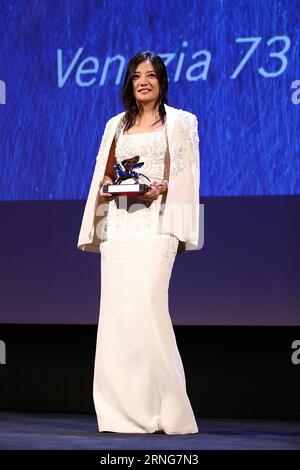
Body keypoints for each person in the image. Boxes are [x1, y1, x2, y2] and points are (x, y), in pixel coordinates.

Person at [77, 50, 200, 434]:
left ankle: (168, 412)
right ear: (129, 84)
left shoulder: (181, 121)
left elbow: (188, 175)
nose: (143, 81)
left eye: (150, 75)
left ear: (162, 80)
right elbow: (103, 175)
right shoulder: (115, 124)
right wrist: (110, 191)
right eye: (136, 76)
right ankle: (118, 412)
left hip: (156, 225)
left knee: (149, 310)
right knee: (117, 317)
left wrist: (169, 203)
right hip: (120, 227)